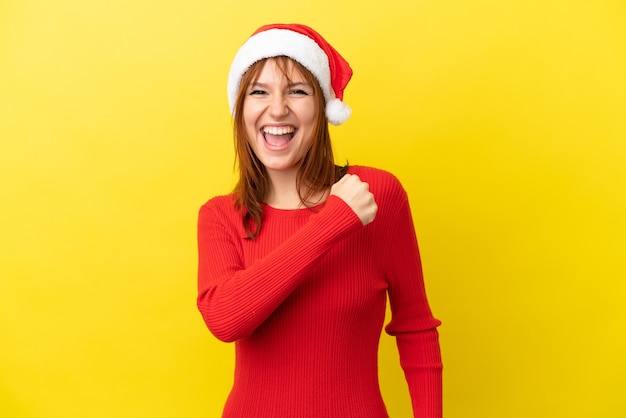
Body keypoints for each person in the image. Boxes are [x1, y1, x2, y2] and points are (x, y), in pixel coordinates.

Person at [197, 23, 442, 418]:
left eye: (297, 90)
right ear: (241, 109)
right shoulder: (221, 217)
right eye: (259, 91)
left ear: (323, 105)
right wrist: (332, 223)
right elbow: (226, 320)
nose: (277, 109)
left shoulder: (376, 195)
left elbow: (416, 328)